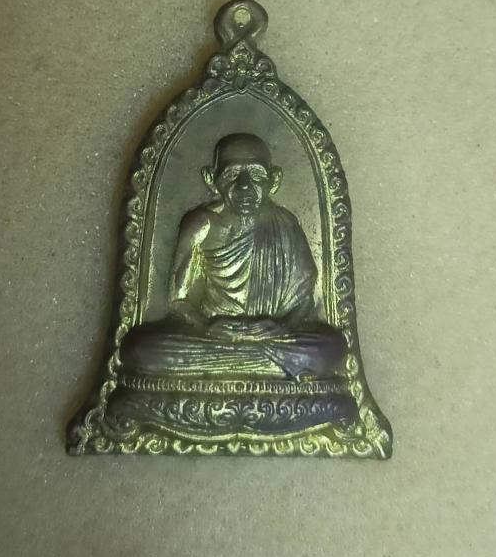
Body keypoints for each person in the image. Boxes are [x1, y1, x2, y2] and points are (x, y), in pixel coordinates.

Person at [121, 133, 347, 380]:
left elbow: (303, 300)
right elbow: (178, 300)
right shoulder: (201, 224)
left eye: (256, 174)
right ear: (211, 179)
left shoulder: (286, 224)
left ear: (274, 180)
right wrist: (207, 326)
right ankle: (269, 368)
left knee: (331, 348)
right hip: (214, 335)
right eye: (232, 174)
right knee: (140, 349)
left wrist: (281, 326)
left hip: (271, 337)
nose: (245, 186)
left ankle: (231, 367)